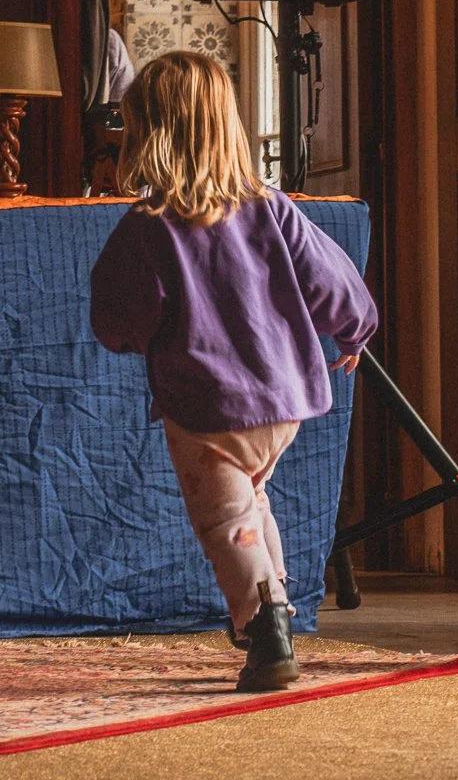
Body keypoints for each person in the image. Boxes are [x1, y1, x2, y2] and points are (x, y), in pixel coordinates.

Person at [89, 51, 377, 693]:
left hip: (208, 408)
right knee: (252, 502)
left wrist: (136, 337)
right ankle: (272, 608)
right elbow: (333, 281)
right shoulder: (270, 206)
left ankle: (266, 626)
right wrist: (355, 327)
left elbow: (113, 316)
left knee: (224, 523)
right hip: (286, 402)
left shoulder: (149, 226)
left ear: (146, 135)